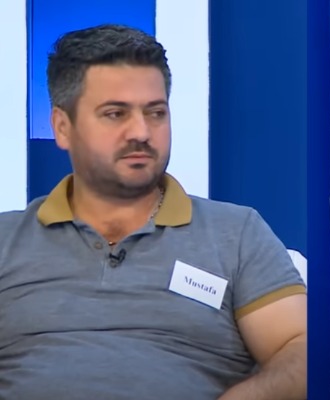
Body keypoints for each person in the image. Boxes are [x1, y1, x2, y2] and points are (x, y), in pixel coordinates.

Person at [0, 24, 306, 400]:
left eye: (156, 113)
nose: (141, 132)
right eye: (116, 114)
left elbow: (301, 350)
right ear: (63, 128)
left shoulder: (237, 233)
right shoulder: (6, 240)